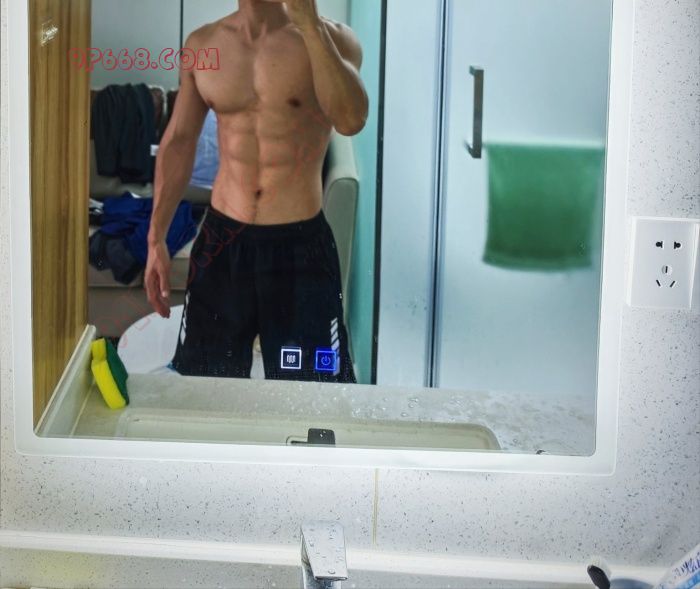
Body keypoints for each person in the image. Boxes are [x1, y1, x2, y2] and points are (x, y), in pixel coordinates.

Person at [145, 0, 368, 382]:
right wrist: (156, 239)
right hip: (222, 244)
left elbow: (351, 120)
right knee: (204, 385)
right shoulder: (203, 45)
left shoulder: (334, 39)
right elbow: (179, 140)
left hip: (300, 248)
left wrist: (310, 26)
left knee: (314, 391)